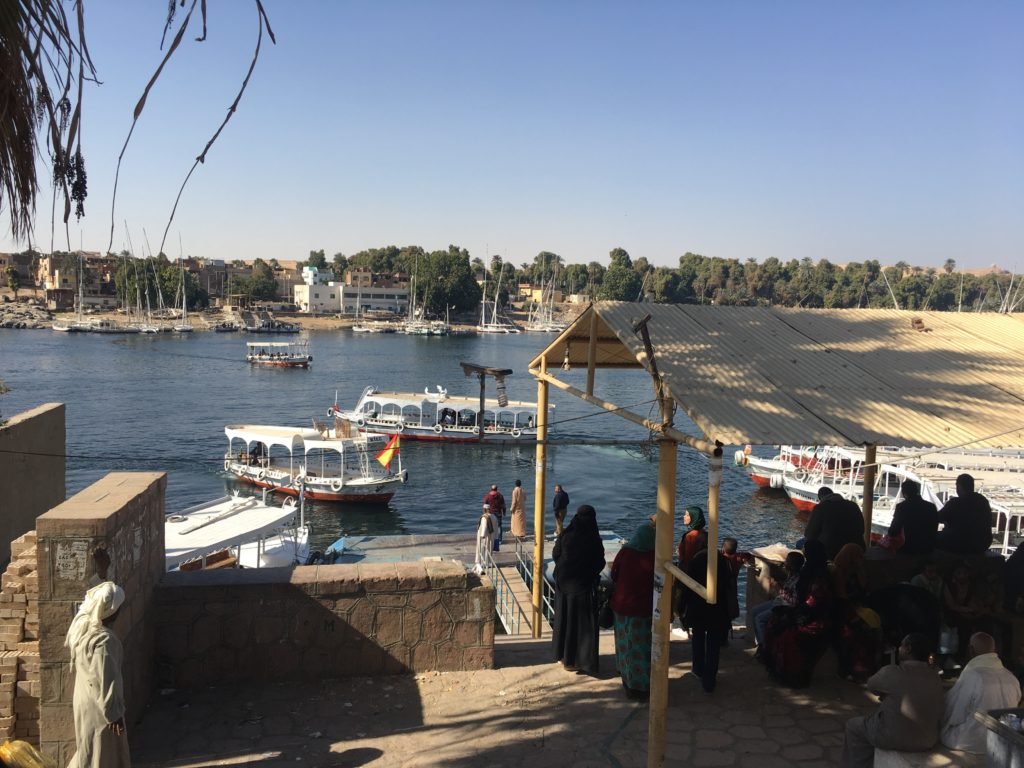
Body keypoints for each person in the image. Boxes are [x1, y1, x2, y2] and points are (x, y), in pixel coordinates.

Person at [841, 633, 944, 767]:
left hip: (892, 737)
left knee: (853, 726)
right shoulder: (935, 677)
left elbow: (872, 685)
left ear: (908, 648)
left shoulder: (892, 672)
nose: (899, 648)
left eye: (901, 645)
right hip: (927, 739)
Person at [66, 580, 131, 768]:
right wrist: (113, 714)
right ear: (113, 611)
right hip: (100, 707)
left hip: (86, 700)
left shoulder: (84, 630)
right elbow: (105, 678)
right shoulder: (105, 640)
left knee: (89, 749)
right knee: (102, 754)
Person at [761, 539, 835, 688]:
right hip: (805, 611)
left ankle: (777, 666)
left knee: (774, 625)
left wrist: (795, 612)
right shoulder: (811, 571)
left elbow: (811, 602)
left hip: (812, 615)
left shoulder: (816, 576)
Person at [940, 632, 1022, 754]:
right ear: (994, 650)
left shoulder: (973, 676)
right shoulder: (1012, 678)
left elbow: (953, 713)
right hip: (1002, 742)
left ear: (971, 650)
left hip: (971, 742)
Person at [552, 505, 606, 676]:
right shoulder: (593, 539)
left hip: (564, 584)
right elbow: (600, 563)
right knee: (583, 626)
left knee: (565, 621)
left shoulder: (566, 534)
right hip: (583, 587)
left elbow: (555, 554)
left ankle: (566, 658)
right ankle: (582, 660)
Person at [609, 522, 656, 700]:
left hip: (622, 606)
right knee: (642, 646)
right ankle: (642, 685)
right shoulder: (655, 556)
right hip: (644, 609)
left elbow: (614, 574)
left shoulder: (626, 552)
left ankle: (626, 677)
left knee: (623, 642)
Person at [681, 546, 734, 693]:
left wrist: (681, 608)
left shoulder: (696, 560)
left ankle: (698, 669)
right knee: (713, 643)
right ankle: (710, 679)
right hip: (717, 608)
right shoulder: (723, 562)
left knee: (698, 637)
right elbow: (730, 586)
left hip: (697, 608)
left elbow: (687, 588)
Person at [832, 543, 882, 682]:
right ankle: (851, 667)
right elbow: (841, 598)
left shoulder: (859, 571)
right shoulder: (840, 572)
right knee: (857, 631)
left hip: (858, 608)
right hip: (844, 610)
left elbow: (865, 591)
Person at [751, 551, 804, 650]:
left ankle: (765, 649)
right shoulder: (791, 575)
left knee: (759, 619)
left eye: (787, 562)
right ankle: (761, 644)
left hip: (785, 607)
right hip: (779, 601)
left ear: (792, 565)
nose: (785, 563)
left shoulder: (798, 580)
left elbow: (793, 602)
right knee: (754, 611)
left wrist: (779, 589)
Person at [936, 474, 993, 555]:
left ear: (959, 487)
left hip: (960, 544)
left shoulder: (955, 503)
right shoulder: (982, 501)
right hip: (982, 544)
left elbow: (938, 518)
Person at [804, 487, 865, 561]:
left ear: (820, 497)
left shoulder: (820, 508)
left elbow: (810, 534)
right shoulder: (853, 505)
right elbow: (862, 528)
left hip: (831, 552)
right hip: (857, 548)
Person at [887, 479, 938, 555]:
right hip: (928, 547)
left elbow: (893, 531)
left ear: (904, 493)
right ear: (917, 491)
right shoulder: (931, 507)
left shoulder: (902, 507)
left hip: (908, 548)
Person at [676, 505, 709, 571]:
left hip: (690, 572)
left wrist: (679, 552)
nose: (684, 516)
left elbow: (688, 559)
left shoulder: (691, 536)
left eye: (687, 515)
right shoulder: (705, 533)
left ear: (694, 517)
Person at [473, 505, 497, 575]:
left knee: (481, 550)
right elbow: (496, 527)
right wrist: (496, 537)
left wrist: (482, 535)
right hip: (491, 536)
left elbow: (484, 526)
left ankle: (479, 566)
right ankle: (487, 563)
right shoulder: (494, 517)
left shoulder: (484, 517)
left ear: (484, 510)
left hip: (484, 537)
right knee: (489, 550)